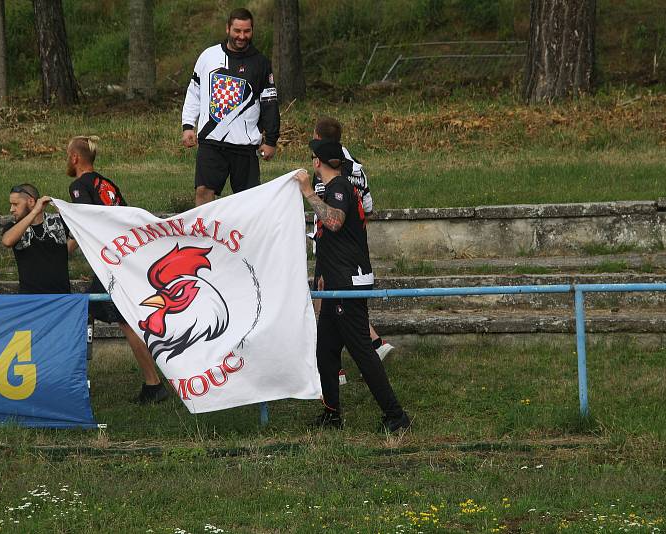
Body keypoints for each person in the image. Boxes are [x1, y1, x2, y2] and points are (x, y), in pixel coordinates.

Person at [295, 139, 411, 433]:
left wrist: (307, 191)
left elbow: (333, 222)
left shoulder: (339, 188)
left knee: (362, 351)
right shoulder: (336, 189)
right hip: (336, 283)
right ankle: (332, 414)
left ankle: (396, 416)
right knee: (326, 350)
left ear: (317, 161)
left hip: (349, 284)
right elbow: (330, 239)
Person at [66, 135, 170, 404]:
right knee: (87, 310)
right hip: (125, 256)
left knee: (126, 321)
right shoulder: (107, 183)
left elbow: (89, 221)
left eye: (68, 155)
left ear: (75, 158)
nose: (68, 160)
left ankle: (153, 383)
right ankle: (81, 378)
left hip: (111, 263)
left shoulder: (78, 186)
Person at [310, 117, 395, 363]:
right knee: (343, 309)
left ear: (319, 140)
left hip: (332, 248)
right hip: (355, 249)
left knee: (326, 306)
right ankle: (376, 344)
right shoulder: (357, 167)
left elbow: (327, 213)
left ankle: (335, 367)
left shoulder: (326, 171)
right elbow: (368, 206)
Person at [181, 7, 280, 206]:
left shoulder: (261, 63)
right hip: (211, 142)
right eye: (237, 31)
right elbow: (194, 92)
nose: (242, 36)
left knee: (247, 203)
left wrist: (271, 140)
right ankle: (203, 236)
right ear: (227, 29)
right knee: (203, 191)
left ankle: (245, 237)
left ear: (252, 30)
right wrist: (188, 125)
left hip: (245, 146)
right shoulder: (208, 56)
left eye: (247, 31)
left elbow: (269, 103)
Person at [2, 183, 73, 294]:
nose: (11, 209)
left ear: (31, 202)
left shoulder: (58, 221)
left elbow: (81, 231)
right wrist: (35, 212)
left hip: (60, 298)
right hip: (30, 299)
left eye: (15, 204)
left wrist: (63, 210)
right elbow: (7, 241)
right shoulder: (13, 227)